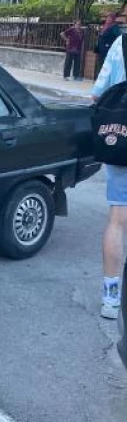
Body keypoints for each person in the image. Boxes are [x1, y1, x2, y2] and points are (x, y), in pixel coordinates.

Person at [91, 33, 127, 319]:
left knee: (117, 220)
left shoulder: (120, 44)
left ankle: (110, 300)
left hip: (122, 142)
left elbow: (97, 95)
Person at [96, 13, 122, 77]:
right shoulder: (105, 26)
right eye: (107, 17)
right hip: (101, 48)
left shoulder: (114, 27)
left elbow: (119, 36)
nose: (108, 19)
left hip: (108, 49)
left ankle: (105, 78)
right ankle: (99, 77)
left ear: (113, 19)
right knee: (100, 63)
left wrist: (111, 44)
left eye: (110, 18)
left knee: (107, 64)